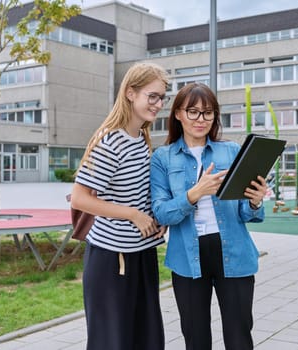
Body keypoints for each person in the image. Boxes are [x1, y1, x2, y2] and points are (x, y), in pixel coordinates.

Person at [150, 82, 268, 350]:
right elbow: (161, 212)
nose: (200, 119)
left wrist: (255, 201)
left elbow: (245, 213)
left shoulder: (231, 151)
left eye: (208, 112)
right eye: (192, 112)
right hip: (187, 258)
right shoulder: (163, 158)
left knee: (239, 336)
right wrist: (194, 194)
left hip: (234, 254)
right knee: (196, 338)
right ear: (178, 113)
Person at [70, 62, 169, 350]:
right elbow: (81, 198)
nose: (159, 104)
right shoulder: (110, 141)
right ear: (130, 93)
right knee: (114, 343)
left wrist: (152, 216)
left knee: (147, 340)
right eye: (152, 96)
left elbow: (133, 191)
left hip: (141, 254)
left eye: (162, 97)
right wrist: (133, 215)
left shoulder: (141, 138)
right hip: (112, 259)